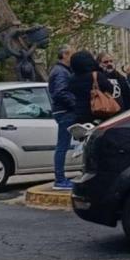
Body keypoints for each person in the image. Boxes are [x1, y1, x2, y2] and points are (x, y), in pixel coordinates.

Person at [48, 45, 77, 190]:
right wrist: (75, 104)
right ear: (65, 55)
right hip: (65, 111)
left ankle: (61, 178)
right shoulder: (61, 72)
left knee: (63, 145)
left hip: (62, 110)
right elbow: (61, 92)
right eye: (73, 54)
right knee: (62, 145)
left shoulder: (61, 71)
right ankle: (60, 179)